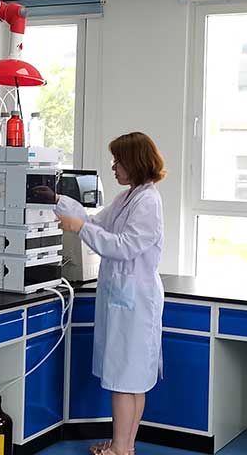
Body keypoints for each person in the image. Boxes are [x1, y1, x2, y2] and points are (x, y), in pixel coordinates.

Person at [56, 132, 165, 455]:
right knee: (132, 378)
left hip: (135, 301)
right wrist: (56, 200)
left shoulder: (148, 201)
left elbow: (124, 246)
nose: (114, 167)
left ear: (135, 162)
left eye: (118, 161)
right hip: (126, 298)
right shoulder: (128, 197)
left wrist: (80, 228)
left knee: (125, 379)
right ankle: (125, 447)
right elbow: (95, 221)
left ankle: (120, 448)